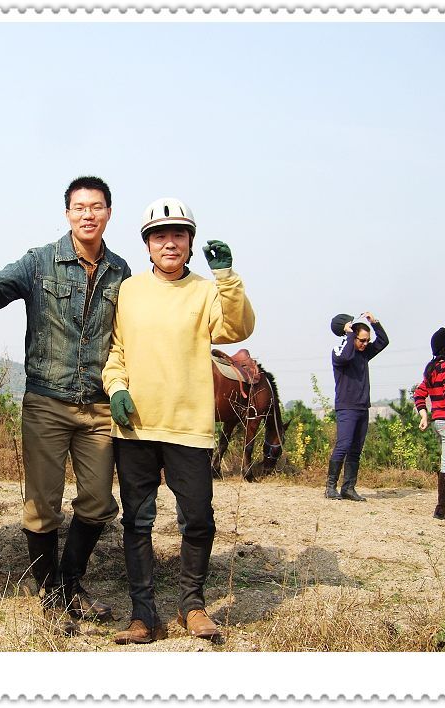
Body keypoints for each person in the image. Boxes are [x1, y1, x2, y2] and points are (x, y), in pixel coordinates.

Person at [0, 176, 131, 633]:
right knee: (42, 504)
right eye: (79, 207)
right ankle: (49, 591)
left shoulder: (121, 272)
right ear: (67, 214)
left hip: (99, 408)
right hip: (47, 402)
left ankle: (70, 582)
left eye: (97, 206)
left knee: (99, 501)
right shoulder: (39, 262)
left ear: (108, 212)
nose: (88, 214)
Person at [102, 197, 255, 644]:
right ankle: (142, 614)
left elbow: (237, 328)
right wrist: (117, 389)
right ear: (147, 245)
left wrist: (227, 277)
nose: (169, 243)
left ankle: (193, 606)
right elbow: (116, 352)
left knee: (199, 519)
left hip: (189, 427)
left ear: (190, 244)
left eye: (178, 235)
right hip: (136, 428)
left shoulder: (207, 291)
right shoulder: (129, 290)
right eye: (159, 236)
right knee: (138, 521)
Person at [325, 313, 389, 501]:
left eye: (367, 341)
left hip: (362, 407)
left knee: (356, 450)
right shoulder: (339, 351)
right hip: (346, 407)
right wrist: (349, 334)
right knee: (343, 445)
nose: (365, 344)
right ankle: (330, 487)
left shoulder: (364, 353)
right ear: (352, 336)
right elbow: (345, 357)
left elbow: (384, 341)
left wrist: (374, 323)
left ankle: (348, 488)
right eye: (361, 340)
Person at [413, 327, 445, 520]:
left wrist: (424, 415)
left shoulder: (432, 368)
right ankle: (444, 509)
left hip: (440, 421)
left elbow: (418, 394)